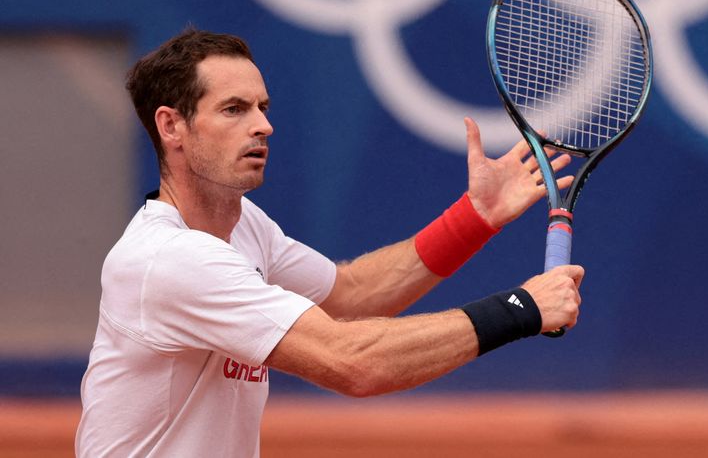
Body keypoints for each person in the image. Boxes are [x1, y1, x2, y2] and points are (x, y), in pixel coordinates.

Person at [75, 28, 584, 457]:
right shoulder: (168, 260)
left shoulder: (245, 226)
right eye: (233, 109)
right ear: (172, 126)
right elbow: (356, 362)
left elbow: (350, 295)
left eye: (262, 106)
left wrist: (474, 218)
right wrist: (522, 308)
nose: (264, 125)